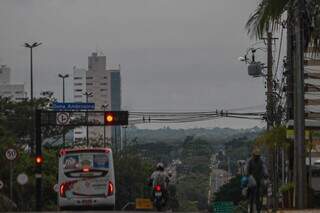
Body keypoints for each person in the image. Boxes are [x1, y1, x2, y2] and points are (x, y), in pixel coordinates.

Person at [245, 147, 268, 213]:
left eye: (258, 156)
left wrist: (266, 175)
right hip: (251, 180)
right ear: (253, 155)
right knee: (248, 191)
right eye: (255, 155)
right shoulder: (249, 161)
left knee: (263, 190)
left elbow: (264, 168)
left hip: (259, 180)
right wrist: (248, 175)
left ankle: (262, 205)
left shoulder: (261, 161)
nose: (256, 157)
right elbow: (247, 170)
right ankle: (249, 202)